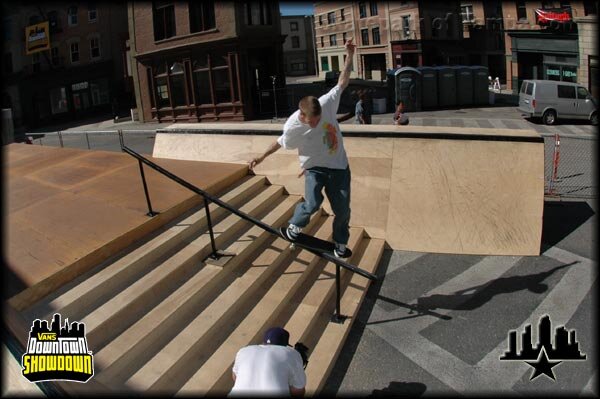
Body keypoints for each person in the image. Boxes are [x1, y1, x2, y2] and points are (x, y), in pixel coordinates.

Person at [248, 39, 356, 259]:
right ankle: (294, 227)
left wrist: (349, 55)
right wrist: (260, 158)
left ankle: (340, 243)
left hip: (339, 167)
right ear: (302, 115)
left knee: (343, 210)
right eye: (312, 122)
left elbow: (342, 82)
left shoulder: (325, 103)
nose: (317, 124)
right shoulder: (292, 126)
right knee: (313, 203)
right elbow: (279, 143)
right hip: (314, 168)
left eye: (319, 120)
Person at [230, 327, 306, 397]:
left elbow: (235, 377)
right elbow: (298, 391)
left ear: (264, 342)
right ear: (284, 344)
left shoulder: (243, 351)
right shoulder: (291, 353)